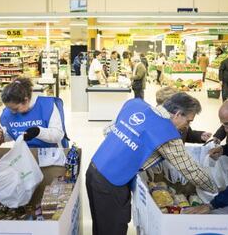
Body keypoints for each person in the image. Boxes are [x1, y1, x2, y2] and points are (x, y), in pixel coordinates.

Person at [86, 93, 217, 235]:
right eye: (189, 121)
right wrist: (215, 190)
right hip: (112, 183)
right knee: (112, 229)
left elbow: (107, 131)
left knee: (101, 226)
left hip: (94, 168)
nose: (187, 126)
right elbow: (191, 170)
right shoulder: (167, 133)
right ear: (178, 114)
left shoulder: (136, 105)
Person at [0, 77, 68, 148]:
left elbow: (58, 135)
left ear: (26, 100)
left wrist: (38, 132)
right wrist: (0, 136)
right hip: (25, 153)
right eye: (9, 108)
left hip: (49, 154)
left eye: (16, 109)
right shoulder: (8, 112)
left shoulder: (47, 106)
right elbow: (11, 133)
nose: (12, 112)